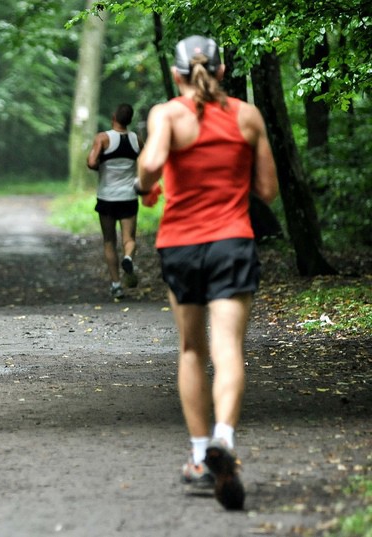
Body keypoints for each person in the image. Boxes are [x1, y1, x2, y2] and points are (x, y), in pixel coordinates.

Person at [136, 35, 278, 510]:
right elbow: (268, 190)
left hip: (181, 244)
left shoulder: (168, 114)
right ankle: (225, 440)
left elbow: (151, 167)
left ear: (177, 74)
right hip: (232, 242)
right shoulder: (248, 116)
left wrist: (146, 183)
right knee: (228, 346)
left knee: (192, 348)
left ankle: (200, 458)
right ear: (222, 71)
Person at [86, 104, 143, 299]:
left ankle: (116, 284)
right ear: (129, 120)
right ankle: (128, 258)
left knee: (109, 241)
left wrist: (102, 162)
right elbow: (145, 164)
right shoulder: (137, 140)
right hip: (129, 197)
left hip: (107, 197)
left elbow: (92, 162)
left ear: (113, 117)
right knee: (129, 239)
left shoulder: (103, 138)